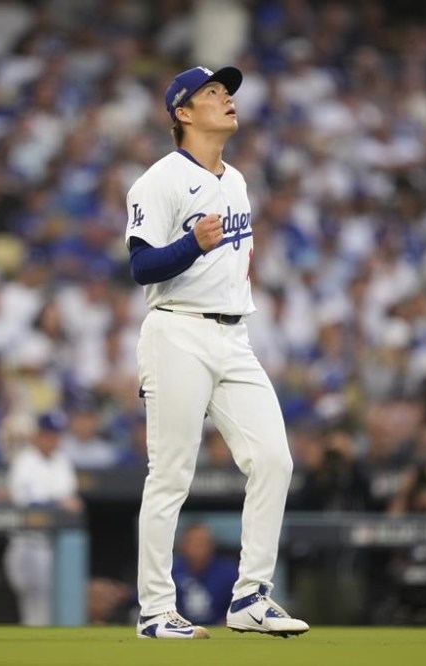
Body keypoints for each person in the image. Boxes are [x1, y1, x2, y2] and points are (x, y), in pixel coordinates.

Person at [125, 65, 308, 639]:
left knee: (274, 459)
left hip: (234, 335)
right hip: (177, 330)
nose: (226, 98)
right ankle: (155, 611)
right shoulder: (159, 180)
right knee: (171, 476)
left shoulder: (237, 180)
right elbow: (140, 266)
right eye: (212, 93)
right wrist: (190, 243)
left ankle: (251, 596)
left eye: (227, 91)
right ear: (182, 112)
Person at [4, 410, 83, 626]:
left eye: (56, 434)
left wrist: (60, 503)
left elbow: (72, 501)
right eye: (48, 434)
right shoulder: (24, 461)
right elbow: (26, 504)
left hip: (55, 546)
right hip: (26, 544)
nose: (52, 439)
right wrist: (58, 503)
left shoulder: (62, 460)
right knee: (34, 612)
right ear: (37, 435)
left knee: (53, 611)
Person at [172, 523, 238, 626]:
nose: (199, 548)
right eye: (194, 543)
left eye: (203, 542)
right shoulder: (170, 572)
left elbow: (241, 605)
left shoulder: (229, 572)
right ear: (183, 545)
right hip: (177, 629)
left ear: (212, 545)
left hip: (219, 631)